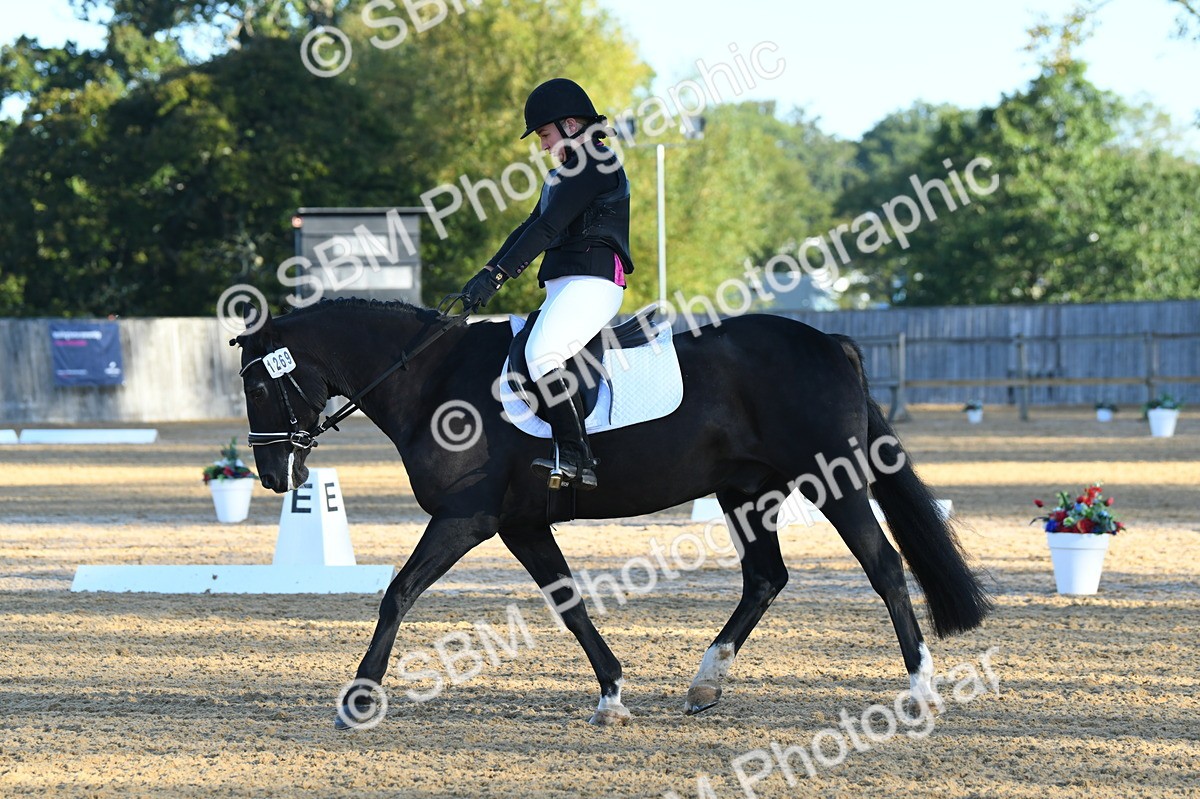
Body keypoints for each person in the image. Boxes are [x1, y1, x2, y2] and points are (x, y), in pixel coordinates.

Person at [459, 78, 634, 491]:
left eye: (544, 134)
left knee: (541, 353)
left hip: (594, 280)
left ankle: (577, 455)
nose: (541, 145)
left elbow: (550, 227)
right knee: (523, 348)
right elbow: (530, 225)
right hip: (566, 283)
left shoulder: (595, 164)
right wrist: (485, 273)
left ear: (571, 125)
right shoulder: (564, 174)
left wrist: (500, 276)